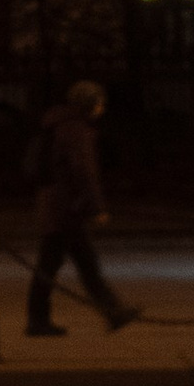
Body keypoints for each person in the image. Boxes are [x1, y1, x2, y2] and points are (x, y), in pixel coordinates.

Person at [24, 75, 141, 337]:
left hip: (56, 206)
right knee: (73, 265)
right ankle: (110, 312)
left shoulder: (59, 124)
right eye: (100, 102)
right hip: (67, 209)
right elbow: (84, 172)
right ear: (89, 104)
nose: (103, 107)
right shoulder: (76, 130)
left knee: (65, 264)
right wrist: (97, 207)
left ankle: (109, 312)